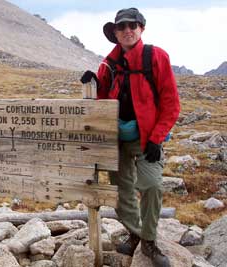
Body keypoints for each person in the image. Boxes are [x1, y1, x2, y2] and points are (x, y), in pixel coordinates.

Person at [81, 8, 180, 267]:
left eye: (132, 25)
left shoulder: (156, 57)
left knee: (151, 185)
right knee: (121, 193)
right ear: (115, 33)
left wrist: (157, 139)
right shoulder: (108, 64)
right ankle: (136, 234)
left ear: (141, 29)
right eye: (122, 26)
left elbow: (171, 103)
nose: (127, 30)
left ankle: (149, 241)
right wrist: (92, 83)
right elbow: (101, 101)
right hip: (117, 140)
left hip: (148, 138)